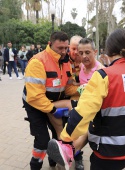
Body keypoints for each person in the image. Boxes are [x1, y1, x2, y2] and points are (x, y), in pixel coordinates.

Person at [47, 28, 125, 170]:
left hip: (110, 151)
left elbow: (82, 114)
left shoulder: (104, 75)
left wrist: (65, 138)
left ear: (106, 51)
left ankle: (68, 150)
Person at [22, 31, 74, 170]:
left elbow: (67, 88)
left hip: (53, 104)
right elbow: (35, 97)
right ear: (50, 45)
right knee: (42, 141)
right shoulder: (38, 62)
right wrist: (53, 110)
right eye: (60, 48)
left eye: (66, 48)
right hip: (35, 106)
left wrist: (82, 90)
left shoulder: (65, 62)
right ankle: (35, 165)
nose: (64, 51)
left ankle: (53, 159)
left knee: (57, 136)